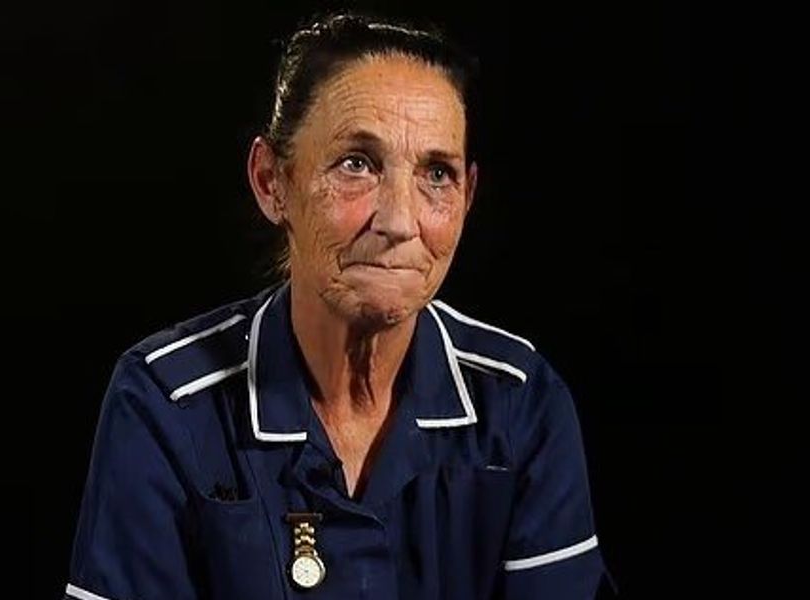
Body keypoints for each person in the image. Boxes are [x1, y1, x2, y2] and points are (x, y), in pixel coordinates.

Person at [63, 11, 609, 600]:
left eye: (437, 174)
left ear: (468, 197)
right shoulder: (165, 404)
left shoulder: (519, 403)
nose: (399, 221)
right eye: (357, 164)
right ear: (272, 182)